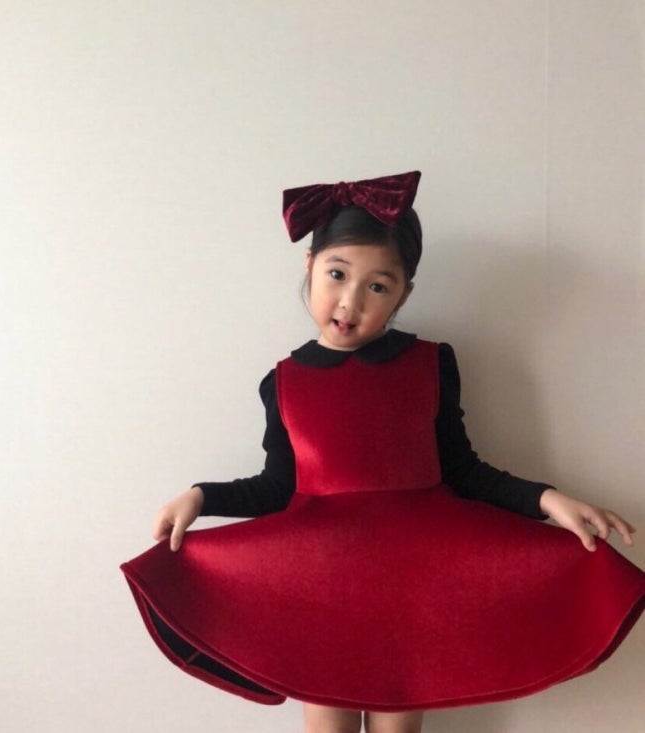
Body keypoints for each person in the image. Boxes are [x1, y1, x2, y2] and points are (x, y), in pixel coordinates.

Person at [121, 172, 645, 733]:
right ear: (309, 266)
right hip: (318, 587)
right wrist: (200, 497)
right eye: (337, 274)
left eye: (377, 287)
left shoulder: (430, 364)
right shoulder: (284, 382)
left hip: (415, 587)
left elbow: (465, 473)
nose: (350, 302)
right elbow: (275, 488)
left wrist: (549, 501)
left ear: (404, 294)